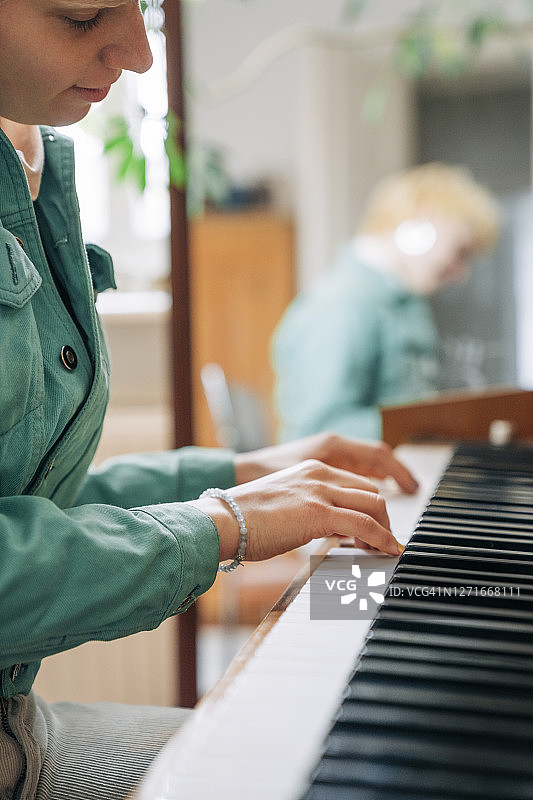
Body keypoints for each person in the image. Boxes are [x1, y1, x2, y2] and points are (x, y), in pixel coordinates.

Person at [0, 3, 423, 799]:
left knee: (357, 750)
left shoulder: (31, 166)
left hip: (18, 721)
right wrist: (223, 522)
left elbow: (31, 504)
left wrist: (245, 472)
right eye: (83, 14)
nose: (139, 54)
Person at [272, 163, 500, 443]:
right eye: (460, 252)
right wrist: (439, 424)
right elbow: (323, 429)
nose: (461, 273)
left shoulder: (407, 303)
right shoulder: (344, 303)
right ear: (422, 218)